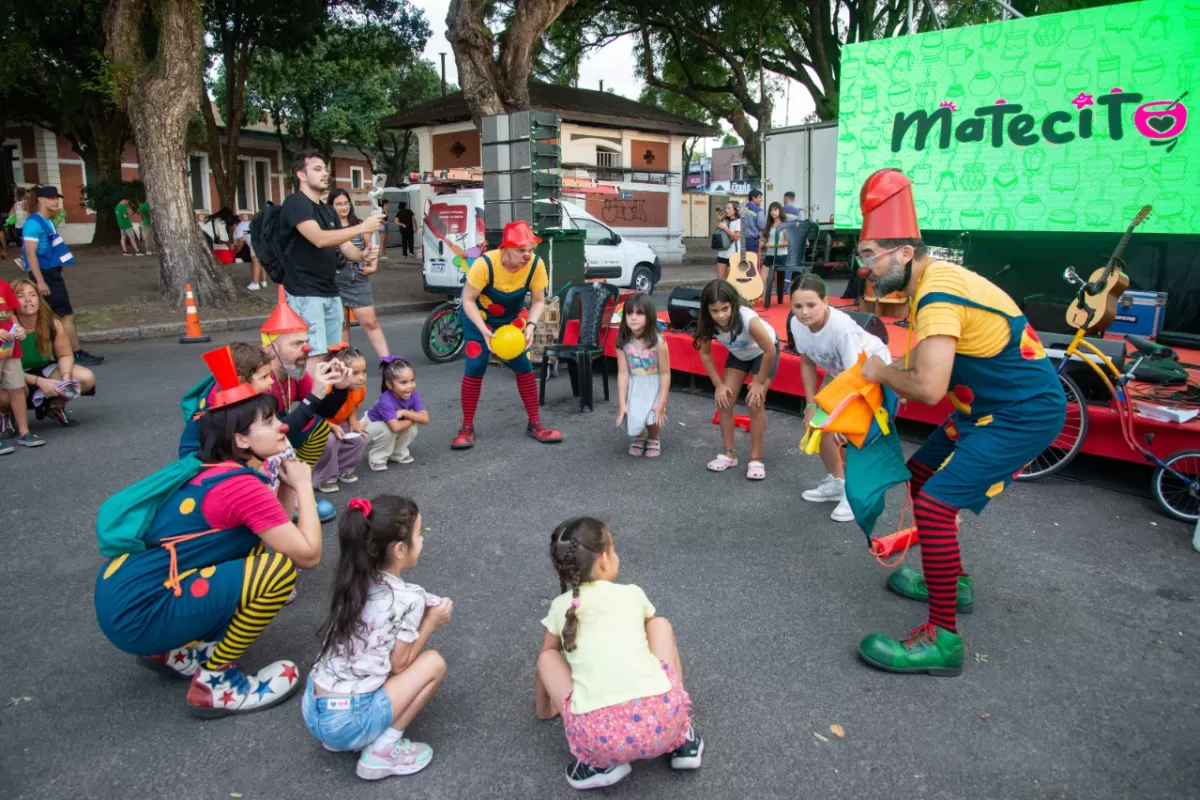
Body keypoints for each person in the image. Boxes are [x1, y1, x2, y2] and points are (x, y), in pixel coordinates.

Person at [853, 168, 1066, 675]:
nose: (864, 269)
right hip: (983, 410)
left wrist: (880, 370)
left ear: (904, 252)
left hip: (1018, 416)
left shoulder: (938, 292)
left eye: (869, 257)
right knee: (922, 474)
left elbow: (928, 388)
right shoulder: (931, 282)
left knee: (933, 504)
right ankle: (955, 579)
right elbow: (928, 367)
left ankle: (943, 639)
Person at [94, 345, 323, 715]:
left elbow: (278, 538)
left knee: (261, 555)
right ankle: (216, 683)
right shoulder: (242, 485)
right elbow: (307, 555)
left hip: (123, 599)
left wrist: (286, 487)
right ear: (241, 440)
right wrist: (305, 486)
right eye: (268, 422)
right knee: (277, 574)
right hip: (138, 613)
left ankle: (169, 650)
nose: (282, 424)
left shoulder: (213, 467)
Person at [535, 517, 703, 790]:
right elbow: (652, 632)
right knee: (659, 625)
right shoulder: (632, 594)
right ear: (603, 561)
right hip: (662, 723)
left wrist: (545, 709)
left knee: (546, 657)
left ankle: (597, 765)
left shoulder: (560, 607)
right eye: (613, 550)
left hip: (601, 742)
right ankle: (683, 738)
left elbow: (547, 656)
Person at [304, 495, 450, 779]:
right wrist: (432, 620)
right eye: (419, 535)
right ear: (398, 549)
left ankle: (344, 738)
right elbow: (400, 664)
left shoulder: (350, 580)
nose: (422, 540)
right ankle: (383, 752)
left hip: (314, 711)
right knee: (433, 664)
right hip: (349, 722)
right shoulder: (407, 599)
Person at [789, 273, 891, 522]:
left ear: (826, 302)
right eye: (798, 306)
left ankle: (857, 494)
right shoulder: (796, 323)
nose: (804, 312)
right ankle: (837, 482)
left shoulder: (841, 329)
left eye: (811, 305)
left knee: (848, 433)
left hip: (868, 371)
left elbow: (854, 374)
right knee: (818, 426)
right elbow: (806, 363)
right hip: (842, 375)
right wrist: (811, 404)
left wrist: (841, 416)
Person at [453, 220, 563, 449]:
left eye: (530, 250)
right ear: (505, 249)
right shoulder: (485, 265)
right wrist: (483, 331)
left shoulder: (535, 265)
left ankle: (535, 423)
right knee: (475, 367)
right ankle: (466, 427)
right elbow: (468, 300)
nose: (527, 255)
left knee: (524, 365)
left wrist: (530, 325)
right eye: (521, 250)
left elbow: (539, 300)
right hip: (479, 321)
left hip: (512, 322)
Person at [280, 149, 384, 368]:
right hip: (306, 292)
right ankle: (313, 398)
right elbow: (318, 238)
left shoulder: (326, 211)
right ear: (301, 175)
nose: (324, 173)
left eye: (325, 169)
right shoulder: (295, 204)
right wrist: (362, 227)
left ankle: (326, 397)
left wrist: (362, 255)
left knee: (333, 352)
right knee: (314, 355)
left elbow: (344, 246)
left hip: (330, 290)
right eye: (317, 169)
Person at [260, 289, 353, 523]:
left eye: (306, 341)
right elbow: (273, 433)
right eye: (297, 343)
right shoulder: (259, 379)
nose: (307, 349)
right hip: (235, 448)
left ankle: (295, 488)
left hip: (267, 436)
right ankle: (273, 500)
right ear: (271, 349)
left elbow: (322, 413)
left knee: (319, 426)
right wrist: (313, 398)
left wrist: (341, 389)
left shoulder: (294, 373)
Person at [694, 280, 777, 480]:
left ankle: (756, 459)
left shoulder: (748, 319)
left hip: (763, 353)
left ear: (733, 304)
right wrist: (719, 386)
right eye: (715, 311)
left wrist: (758, 384)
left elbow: (770, 350)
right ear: (707, 310)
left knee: (755, 402)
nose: (721, 315)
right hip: (740, 354)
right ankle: (729, 454)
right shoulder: (707, 322)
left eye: (725, 309)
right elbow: (705, 354)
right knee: (724, 401)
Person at [23, 186, 104, 366]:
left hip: (52, 273)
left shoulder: (47, 221)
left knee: (48, 315)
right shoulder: (34, 224)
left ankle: (53, 353)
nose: (55, 201)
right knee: (65, 315)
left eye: (56, 198)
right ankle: (74, 352)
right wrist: (41, 281)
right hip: (45, 275)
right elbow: (31, 255)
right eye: (51, 198)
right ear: (40, 200)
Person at [5, 278, 96, 438]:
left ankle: (54, 407)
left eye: (32, 295)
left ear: (39, 299)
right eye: (20, 296)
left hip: (44, 370)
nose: (28, 300)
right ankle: (6, 414)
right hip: (14, 374)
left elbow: (65, 355)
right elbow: (6, 368)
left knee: (85, 378)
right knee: (8, 393)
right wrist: (39, 382)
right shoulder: (7, 328)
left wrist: (65, 381)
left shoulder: (52, 324)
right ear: (12, 301)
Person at [329, 188, 390, 359]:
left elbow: (370, 248)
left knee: (370, 323)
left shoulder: (360, 224)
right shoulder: (328, 227)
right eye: (338, 204)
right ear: (331, 206)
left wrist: (373, 264)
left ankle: (387, 361)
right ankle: (345, 361)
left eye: (346, 203)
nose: (343, 207)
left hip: (357, 275)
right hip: (334, 277)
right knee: (342, 324)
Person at [615, 294, 670, 458]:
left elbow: (666, 372)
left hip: (654, 382)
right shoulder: (623, 342)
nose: (633, 318)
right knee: (633, 414)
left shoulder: (658, 342)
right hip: (635, 383)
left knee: (653, 414)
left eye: (639, 313)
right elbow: (623, 372)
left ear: (650, 316)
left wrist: (662, 401)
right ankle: (640, 436)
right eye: (629, 313)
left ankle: (653, 436)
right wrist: (621, 402)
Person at [312, 345, 369, 492]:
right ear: (340, 372)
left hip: (340, 421)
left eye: (364, 372)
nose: (361, 377)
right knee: (330, 441)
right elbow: (312, 414)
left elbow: (354, 405)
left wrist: (353, 421)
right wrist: (330, 427)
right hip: (318, 423)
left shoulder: (360, 388)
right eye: (355, 373)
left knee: (360, 438)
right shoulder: (328, 387)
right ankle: (324, 478)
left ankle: (344, 468)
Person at [365, 357, 428, 471]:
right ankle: (377, 458)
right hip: (369, 427)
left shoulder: (413, 395)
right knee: (387, 430)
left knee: (411, 427)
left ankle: (397, 453)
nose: (409, 386)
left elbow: (425, 418)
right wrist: (413, 417)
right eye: (403, 382)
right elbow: (395, 427)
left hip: (389, 423)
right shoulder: (386, 400)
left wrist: (405, 412)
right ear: (389, 384)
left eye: (412, 380)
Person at [0, 278, 28, 454]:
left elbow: (11, 314)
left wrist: (18, 328)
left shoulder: (3, 285)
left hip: (9, 348)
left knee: (17, 388)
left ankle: (24, 432)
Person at [759, 202, 789, 304]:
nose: (773, 212)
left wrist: (774, 244)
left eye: (775, 210)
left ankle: (779, 301)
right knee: (762, 278)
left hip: (781, 255)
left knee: (778, 282)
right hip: (769, 255)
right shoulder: (769, 224)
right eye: (771, 210)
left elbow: (788, 242)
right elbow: (767, 240)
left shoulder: (784, 225)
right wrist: (763, 243)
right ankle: (762, 299)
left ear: (780, 211)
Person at [232, 214, 261, 290]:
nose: (233, 228)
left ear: (234, 224)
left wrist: (235, 252)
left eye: (232, 227)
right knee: (258, 262)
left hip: (254, 242)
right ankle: (260, 281)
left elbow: (240, 243)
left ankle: (255, 283)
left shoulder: (238, 228)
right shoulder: (246, 223)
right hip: (261, 239)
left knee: (255, 261)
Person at [714, 201, 741, 282]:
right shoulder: (725, 220)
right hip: (722, 253)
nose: (727, 210)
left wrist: (725, 228)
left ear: (735, 210)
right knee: (720, 280)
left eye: (729, 208)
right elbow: (717, 233)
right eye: (726, 208)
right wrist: (718, 221)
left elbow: (736, 237)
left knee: (731, 281)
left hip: (733, 254)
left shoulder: (739, 221)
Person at [741, 189, 766, 263]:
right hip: (752, 240)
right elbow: (762, 226)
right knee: (752, 263)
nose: (761, 199)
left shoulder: (742, 208)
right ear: (753, 198)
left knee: (743, 263)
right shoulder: (758, 210)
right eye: (759, 197)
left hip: (740, 239)